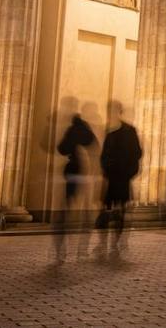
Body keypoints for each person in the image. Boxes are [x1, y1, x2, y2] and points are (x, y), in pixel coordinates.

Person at [52, 102, 97, 263]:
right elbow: (95, 149)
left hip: (72, 173)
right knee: (85, 210)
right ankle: (82, 249)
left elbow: (62, 148)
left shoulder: (72, 131)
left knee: (67, 208)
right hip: (85, 174)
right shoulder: (88, 132)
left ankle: (61, 250)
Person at [97, 102, 141, 258]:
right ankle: (103, 242)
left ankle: (115, 242)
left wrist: (129, 172)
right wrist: (106, 170)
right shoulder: (110, 132)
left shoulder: (129, 131)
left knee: (120, 210)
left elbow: (137, 153)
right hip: (111, 177)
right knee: (106, 210)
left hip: (122, 177)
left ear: (119, 112)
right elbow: (103, 156)